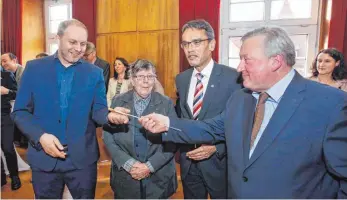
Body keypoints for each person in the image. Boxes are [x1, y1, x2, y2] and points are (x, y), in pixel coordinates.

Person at [111, 26, 347, 198]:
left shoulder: (330, 104)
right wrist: (166, 124)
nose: (239, 67)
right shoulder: (242, 99)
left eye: (247, 59)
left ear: (275, 61)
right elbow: (210, 127)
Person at [11, 19, 120, 199]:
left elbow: (99, 111)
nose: (78, 48)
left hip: (82, 161)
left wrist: (111, 116)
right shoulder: (34, 68)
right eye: (72, 42)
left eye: (83, 44)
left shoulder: (94, 73)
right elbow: (20, 112)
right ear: (58, 37)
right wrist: (40, 137)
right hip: (44, 160)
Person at [173, 19, 241, 199]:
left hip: (219, 164)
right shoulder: (181, 79)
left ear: (212, 44)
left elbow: (240, 125)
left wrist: (217, 148)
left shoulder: (233, 78)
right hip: (189, 163)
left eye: (196, 42)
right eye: (186, 44)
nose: (190, 49)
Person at [103, 59, 177, 199]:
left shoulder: (165, 103)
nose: (146, 81)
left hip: (159, 179)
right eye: (140, 76)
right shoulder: (118, 101)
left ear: (155, 80)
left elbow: (173, 140)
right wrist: (129, 163)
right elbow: (108, 137)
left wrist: (149, 166)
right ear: (132, 79)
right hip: (125, 178)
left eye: (150, 76)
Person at [1, 67, 21, 190]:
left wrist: (7, 91)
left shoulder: (7, 75)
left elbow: (18, 93)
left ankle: (15, 177)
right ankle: (1, 177)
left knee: (8, 148)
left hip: (4, 116)